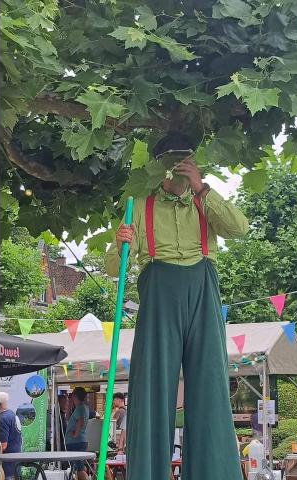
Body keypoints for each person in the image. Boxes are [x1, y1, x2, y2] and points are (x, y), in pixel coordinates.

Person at [105, 131, 249, 480]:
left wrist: (203, 188)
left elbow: (240, 228)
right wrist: (118, 244)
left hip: (203, 286)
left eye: (187, 161)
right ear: (160, 168)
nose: (182, 169)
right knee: (152, 384)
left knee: (210, 382)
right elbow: (114, 269)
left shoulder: (204, 199)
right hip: (159, 289)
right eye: (174, 163)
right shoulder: (140, 204)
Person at [65, 387, 90, 480]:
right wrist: (69, 405)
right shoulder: (82, 407)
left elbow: (81, 421)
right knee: (77, 468)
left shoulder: (80, 408)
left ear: (75, 396)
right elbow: (68, 418)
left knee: (77, 469)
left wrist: (75, 434)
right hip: (79, 441)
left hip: (75, 442)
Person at [0, 392, 22, 480]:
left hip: (7, 467)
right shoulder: (11, 414)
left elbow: (3, 446)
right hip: (15, 463)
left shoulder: (2, 419)